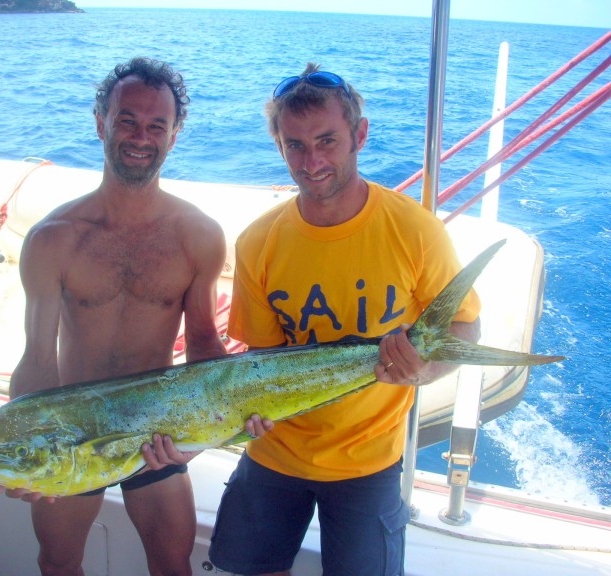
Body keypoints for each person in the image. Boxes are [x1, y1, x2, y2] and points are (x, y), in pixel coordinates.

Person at [207, 64, 482, 576]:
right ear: (280, 147)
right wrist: (245, 413)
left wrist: (422, 371)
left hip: (368, 462)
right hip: (274, 452)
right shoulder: (258, 241)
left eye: (327, 140)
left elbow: (464, 327)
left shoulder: (414, 230)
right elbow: (261, 361)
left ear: (360, 134)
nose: (312, 161)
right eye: (295, 145)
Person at [0, 57, 229, 576]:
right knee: (58, 563)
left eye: (156, 126)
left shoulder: (199, 236)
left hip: (158, 431)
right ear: (100, 121)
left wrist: (217, 428)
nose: (140, 136)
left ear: (174, 136)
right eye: (127, 119)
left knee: (173, 565)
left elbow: (205, 349)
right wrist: (21, 444)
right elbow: (36, 362)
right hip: (73, 433)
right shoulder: (54, 239)